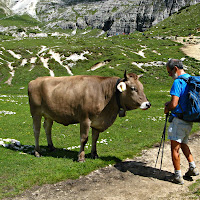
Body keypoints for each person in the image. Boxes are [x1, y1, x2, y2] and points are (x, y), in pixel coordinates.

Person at [164, 59, 199, 184]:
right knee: (184, 144)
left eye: (169, 72)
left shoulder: (178, 82)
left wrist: (167, 107)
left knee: (175, 148)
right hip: (189, 119)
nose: (169, 75)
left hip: (178, 120)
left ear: (175, 69)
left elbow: (174, 104)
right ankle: (192, 167)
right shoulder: (191, 79)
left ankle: (177, 176)